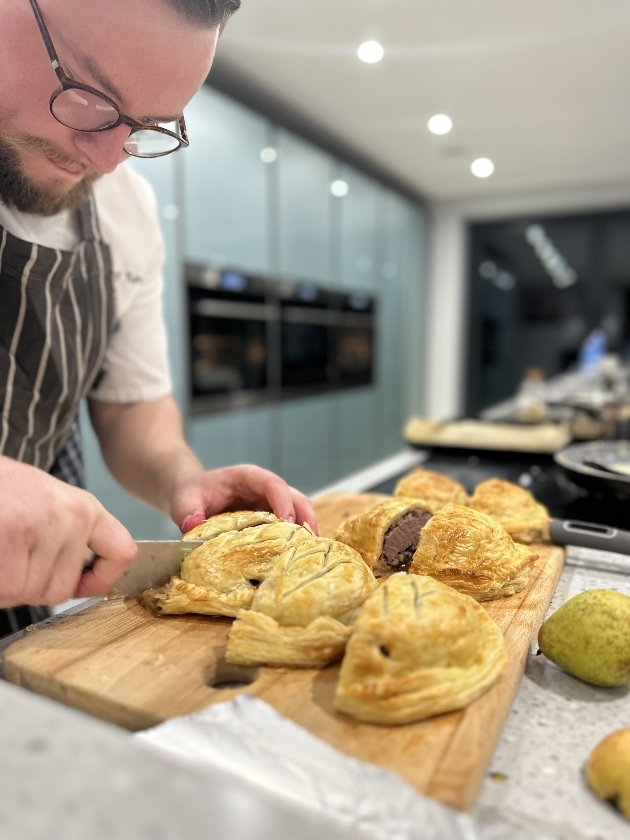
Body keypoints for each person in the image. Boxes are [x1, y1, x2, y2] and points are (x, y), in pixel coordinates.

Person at [0, 0, 317, 611]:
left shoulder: (124, 211)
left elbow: (130, 412)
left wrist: (182, 480)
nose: (105, 157)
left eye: (146, 125)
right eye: (88, 94)